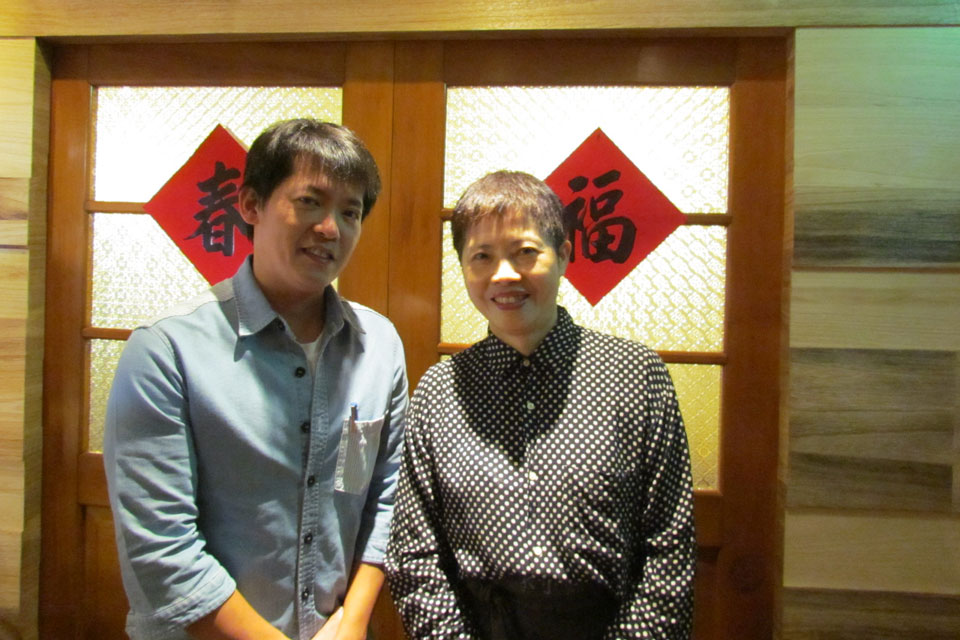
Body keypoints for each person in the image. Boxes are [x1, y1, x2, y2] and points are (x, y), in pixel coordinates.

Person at [104, 119, 407, 640]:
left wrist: (353, 621)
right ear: (251, 204)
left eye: (350, 212)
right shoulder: (166, 350)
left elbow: (385, 497)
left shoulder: (378, 346)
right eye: (310, 202)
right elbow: (162, 549)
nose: (331, 229)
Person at [385, 171, 695, 639]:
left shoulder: (635, 374)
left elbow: (669, 548)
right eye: (482, 256)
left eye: (525, 252)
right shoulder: (439, 390)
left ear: (564, 254)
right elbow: (414, 553)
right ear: (463, 266)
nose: (504, 274)